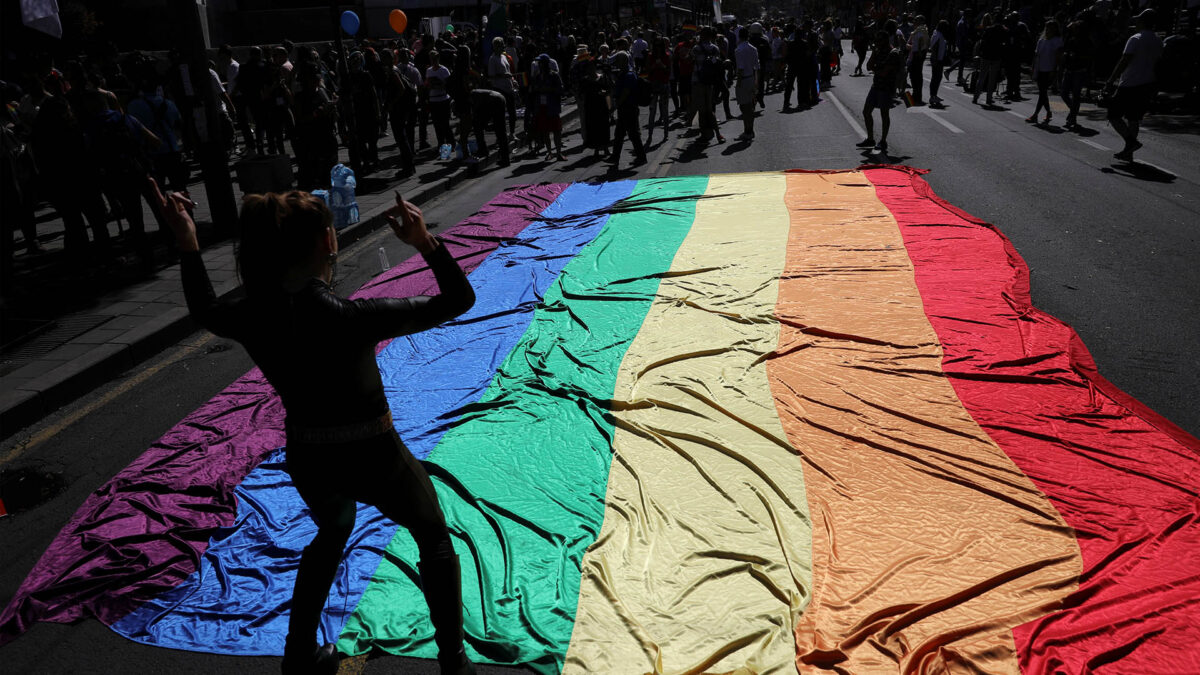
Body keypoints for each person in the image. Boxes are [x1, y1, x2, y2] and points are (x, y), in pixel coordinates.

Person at [156, 184, 478, 675]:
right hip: (376, 454)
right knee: (432, 534)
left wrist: (187, 243)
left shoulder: (249, 316)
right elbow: (458, 299)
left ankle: (299, 654)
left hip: (309, 456)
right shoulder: (351, 316)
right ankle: (454, 661)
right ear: (330, 241)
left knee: (331, 532)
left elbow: (204, 308)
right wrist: (425, 241)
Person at [1106, 8, 1162, 161]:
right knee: (1133, 118)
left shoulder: (1135, 38)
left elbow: (1124, 60)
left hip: (1130, 83)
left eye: (1138, 20)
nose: (1136, 23)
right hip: (1147, 83)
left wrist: (1111, 80)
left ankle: (1130, 142)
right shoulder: (1158, 40)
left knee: (1113, 115)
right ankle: (1128, 152)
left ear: (1143, 22)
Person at [858, 30, 902, 152]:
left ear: (885, 41)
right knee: (866, 111)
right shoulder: (877, 51)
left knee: (884, 114)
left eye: (879, 40)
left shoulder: (893, 53)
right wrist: (874, 54)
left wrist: (876, 69)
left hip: (886, 88)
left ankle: (883, 141)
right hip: (876, 85)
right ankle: (870, 139)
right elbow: (868, 66)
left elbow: (884, 72)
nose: (876, 43)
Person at [606, 52, 647, 168]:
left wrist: (617, 104)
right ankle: (615, 156)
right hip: (624, 108)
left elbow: (626, 91)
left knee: (633, 134)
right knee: (619, 134)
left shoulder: (629, 75)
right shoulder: (622, 74)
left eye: (618, 61)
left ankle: (641, 157)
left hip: (629, 107)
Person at [690, 26, 725, 144]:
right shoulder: (715, 48)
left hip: (699, 81)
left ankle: (704, 134)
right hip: (710, 82)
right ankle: (718, 134)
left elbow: (690, 60)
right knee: (710, 109)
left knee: (702, 109)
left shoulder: (696, 48)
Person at [531, 53, 566, 161]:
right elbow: (534, 90)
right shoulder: (537, 76)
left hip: (552, 106)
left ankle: (559, 153)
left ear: (545, 64)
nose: (539, 65)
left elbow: (561, 90)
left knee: (557, 130)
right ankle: (550, 152)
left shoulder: (554, 75)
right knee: (545, 131)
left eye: (540, 63)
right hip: (541, 107)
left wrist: (549, 90)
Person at [1059, 18, 1092, 129]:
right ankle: (1073, 111)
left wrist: (1077, 56)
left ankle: (1073, 116)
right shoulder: (1071, 39)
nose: (1074, 30)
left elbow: (1089, 57)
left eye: (1077, 28)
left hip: (1079, 71)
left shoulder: (1087, 42)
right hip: (1068, 70)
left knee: (1076, 95)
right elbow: (1066, 51)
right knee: (1063, 93)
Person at [1028, 20, 1063, 125]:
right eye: (1047, 27)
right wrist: (1033, 68)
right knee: (1042, 93)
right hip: (1040, 69)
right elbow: (1036, 56)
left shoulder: (1057, 40)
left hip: (1049, 70)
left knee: (1043, 92)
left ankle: (1035, 115)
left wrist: (1054, 70)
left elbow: (1058, 57)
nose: (1049, 30)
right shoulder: (1041, 40)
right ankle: (1048, 112)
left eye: (1051, 27)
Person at [644, 38, 672, 145]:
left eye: (660, 45)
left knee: (664, 111)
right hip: (653, 85)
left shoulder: (667, 56)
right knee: (652, 112)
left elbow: (669, 71)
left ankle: (666, 134)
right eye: (656, 46)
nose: (658, 48)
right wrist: (654, 66)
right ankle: (650, 135)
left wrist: (662, 66)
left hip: (663, 84)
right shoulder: (651, 56)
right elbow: (647, 70)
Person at [734, 27, 760, 140]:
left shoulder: (739, 49)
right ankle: (750, 129)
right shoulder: (753, 48)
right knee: (750, 106)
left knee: (744, 107)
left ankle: (747, 130)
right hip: (751, 78)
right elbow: (757, 66)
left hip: (743, 79)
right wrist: (756, 81)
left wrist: (738, 84)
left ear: (739, 36)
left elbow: (740, 68)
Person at [906, 16, 929, 105]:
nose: (914, 22)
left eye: (916, 20)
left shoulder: (920, 30)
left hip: (917, 55)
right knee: (915, 75)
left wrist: (919, 52)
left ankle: (917, 96)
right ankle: (916, 95)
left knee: (916, 76)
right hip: (916, 54)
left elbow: (920, 42)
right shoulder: (919, 30)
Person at [928, 20, 951, 106]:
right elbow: (935, 48)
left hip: (938, 59)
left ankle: (934, 95)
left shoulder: (937, 33)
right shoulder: (938, 35)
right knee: (936, 78)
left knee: (937, 77)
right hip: (937, 60)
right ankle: (932, 96)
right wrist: (936, 61)